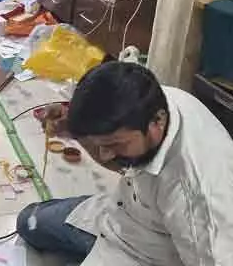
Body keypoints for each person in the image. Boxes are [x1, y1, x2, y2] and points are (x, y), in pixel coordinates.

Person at [16, 62, 233, 265]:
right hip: (124, 211)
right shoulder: (150, 101)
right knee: (28, 221)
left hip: (150, 255)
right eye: (100, 144)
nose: (105, 156)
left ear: (157, 121)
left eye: (114, 144)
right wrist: (77, 126)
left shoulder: (197, 201)